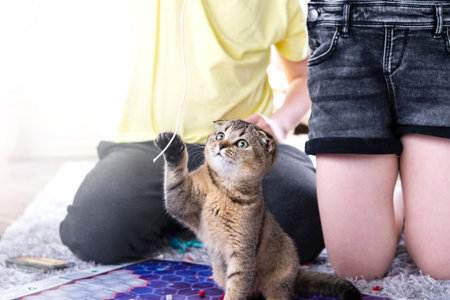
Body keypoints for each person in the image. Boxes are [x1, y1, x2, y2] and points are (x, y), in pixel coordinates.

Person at [60, 0, 324, 265]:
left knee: (304, 226)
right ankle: (188, 213)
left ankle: (196, 211)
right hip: (146, 146)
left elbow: (304, 75)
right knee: (96, 234)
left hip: (238, 148)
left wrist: (281, 121)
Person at [305, 0, 450, 280]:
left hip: (441, 38)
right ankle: (401, 197)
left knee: (443, 264)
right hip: (343, 36)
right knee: (357, 268)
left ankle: (416, 194)